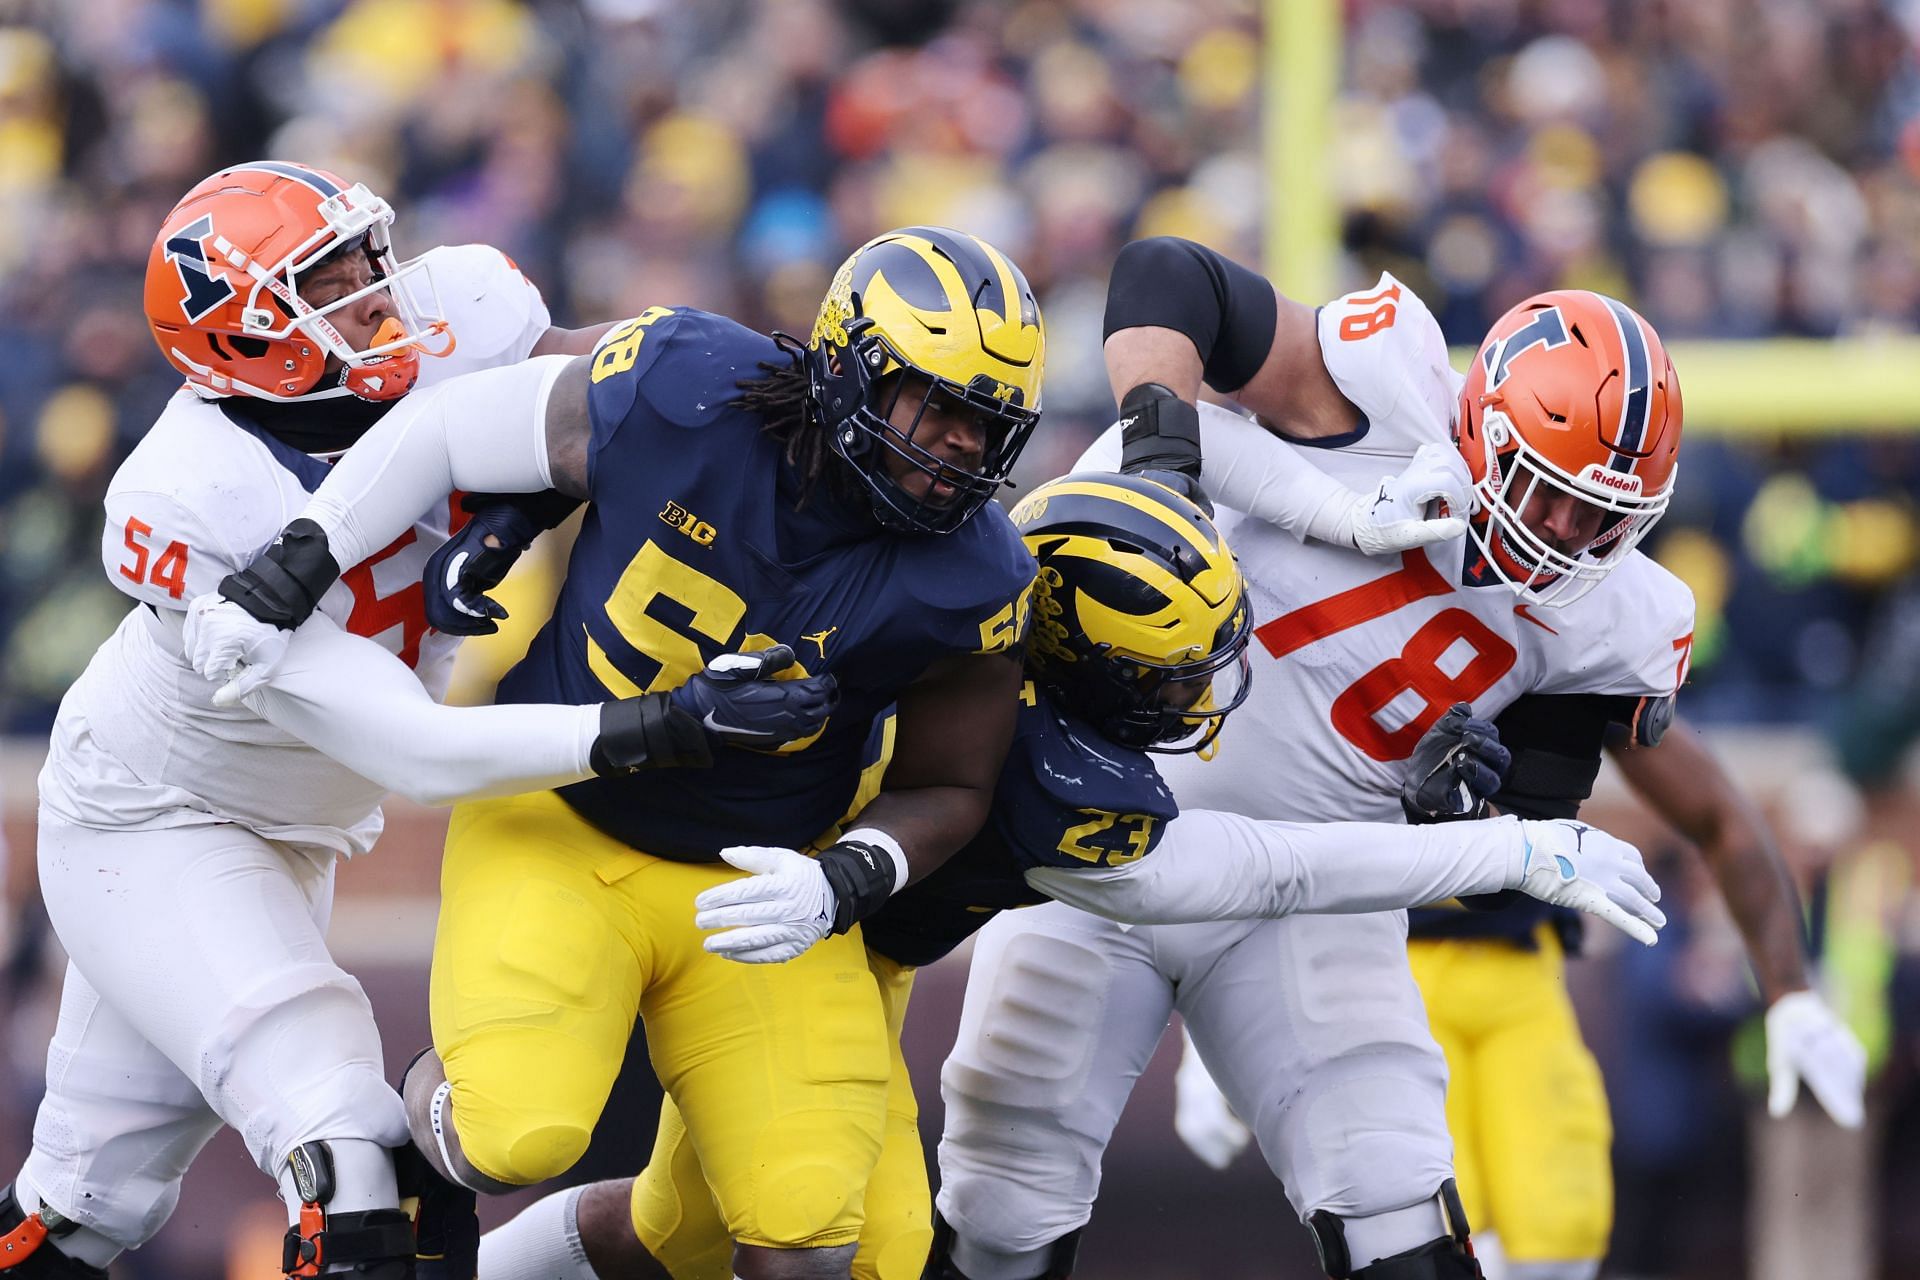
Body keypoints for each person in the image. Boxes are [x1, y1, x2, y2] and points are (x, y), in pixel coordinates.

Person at [467, 471, 1667, 1280]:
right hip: (793, 945)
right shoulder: (1059, 779)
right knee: (854, 1240)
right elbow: (1268, 868)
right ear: (1080, 665)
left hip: (821, 923)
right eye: (1165, 674)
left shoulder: (965, 605)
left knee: (677, 1224)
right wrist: (1514, 846)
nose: (1196, 696)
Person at [0, 161, 819, 1280]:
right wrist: (660, 723)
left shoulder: (458, 307)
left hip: (298, 824)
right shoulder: (188, 494)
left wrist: (528, 504)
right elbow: (416, 754)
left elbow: (631, 395)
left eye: (362, 256)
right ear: (244, 333)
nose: (376, 288)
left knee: (85, 1205)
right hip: (160, 815)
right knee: (344, 1142)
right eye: (326, 278)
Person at [184, 228, 1047, 1280]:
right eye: (939, 405)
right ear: (847, 366)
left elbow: (949, 783)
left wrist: (843, 877)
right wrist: (308, 553)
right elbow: (459, 424)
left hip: (754, 885)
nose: (960, 444)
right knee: (516, 1134)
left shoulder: (977, 575)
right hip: (561, 813)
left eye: (986, 425)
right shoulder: (691, 381)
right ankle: (411, 1123)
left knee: (823, 1227)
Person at [927, 237, 1700, 1280]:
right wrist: (1167, 479)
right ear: (1481, 425)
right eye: (1544, 487)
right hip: (1099, 826)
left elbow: (1520, 818)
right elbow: (1165, 280)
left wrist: (1458, 807)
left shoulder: (1618, 622)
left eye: (1599, 515)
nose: (1561, 530)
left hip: (1310, 895)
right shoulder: (1385, 404)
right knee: (1001, 1199)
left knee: (1392, 1192)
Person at [1171, 719, 1867, 1280]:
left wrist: (1790, 992)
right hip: (1385, 962)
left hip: (1524, 967)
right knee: (1431, 1231)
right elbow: (1262, 813)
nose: (1560, 537)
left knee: (1563, 1224)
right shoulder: (1380, 624)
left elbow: (1718, 811)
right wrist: (1215, 1028)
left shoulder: (1581, 635)